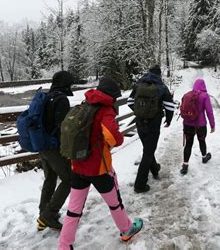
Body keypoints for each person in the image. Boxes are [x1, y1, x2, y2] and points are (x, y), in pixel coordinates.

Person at [58, 77, 143, 250]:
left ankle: (64, 245)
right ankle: (126, 230)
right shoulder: (106, 111)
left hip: (78, 166)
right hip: (98, 169)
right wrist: (118, 138)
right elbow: (112, 137)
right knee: (114, 203)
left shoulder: (85, 104)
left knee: (74, 210)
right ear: (111, 96)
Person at [127, 65, 175, 193]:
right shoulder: (161, 87)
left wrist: (140, 112)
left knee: (148, 148)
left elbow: (130, 102)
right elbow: (170, 106)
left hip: (140, 123)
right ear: (159, 74)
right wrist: (168, 120)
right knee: (148, 152)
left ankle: (155, 169)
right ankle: (140, 185)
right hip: (153, 124)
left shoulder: (138, 85)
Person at [36, 71, 74, 231]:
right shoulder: (61, 99)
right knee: (69, 179)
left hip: (42, 144)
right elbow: (63, 127)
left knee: (50, 179)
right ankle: (49, 215)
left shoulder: (47, 96)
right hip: (53, 147)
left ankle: (43, 213)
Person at [180, 78, 215, 175]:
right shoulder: (205, 96)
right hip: (200, 125)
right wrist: (212, 125)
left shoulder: (187, 95)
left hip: (188, 124)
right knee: (202, 141)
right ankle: (204, 157)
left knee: (188, 144)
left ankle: (185, 165)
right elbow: (209, 112)